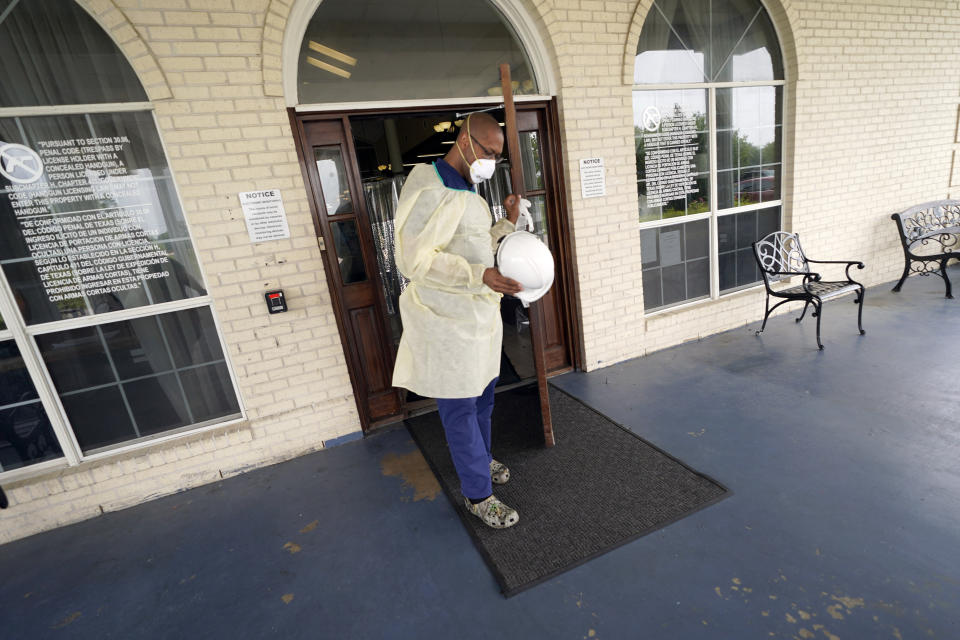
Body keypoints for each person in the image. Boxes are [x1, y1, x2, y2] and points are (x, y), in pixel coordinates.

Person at [392, 112, 524, 529]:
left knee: (484, 396)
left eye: (498, 156)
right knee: (461, 407)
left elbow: (477, 248)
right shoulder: (429, 186)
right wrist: (477, 275)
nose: (492, 161)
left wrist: (507, 223)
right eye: (489, 151)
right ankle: (477, 494)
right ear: (465, 140)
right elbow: (414, 259)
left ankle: (481, 460)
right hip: (445, 323)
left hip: (478, 320)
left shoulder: (470, 191)